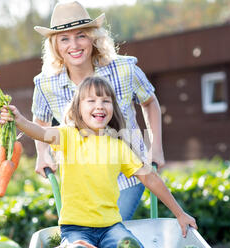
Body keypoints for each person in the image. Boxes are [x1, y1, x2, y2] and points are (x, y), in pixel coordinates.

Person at [0, 76, 197, 248]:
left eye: (106, 101)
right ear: (78, 107)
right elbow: (40, 132)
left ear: (113, 108)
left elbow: (149, 178)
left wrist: (180, 213)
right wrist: (20, 120)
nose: (100, 106)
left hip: (111, 227)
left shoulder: (119, 146)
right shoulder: (68, 136)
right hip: (75, 228)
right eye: (91, 101)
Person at [31, 0, 165, 221]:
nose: (74, 45)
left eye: (81, 35)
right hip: (79, 182)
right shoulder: (46, 83)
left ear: (93, 37)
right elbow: (41, 122)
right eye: (65, 39)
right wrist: (42, 155)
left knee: (108, 226)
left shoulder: (124, 69)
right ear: (56, 45)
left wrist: (156, 148)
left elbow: (149, 102)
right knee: (91, 239)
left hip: (126, 174)